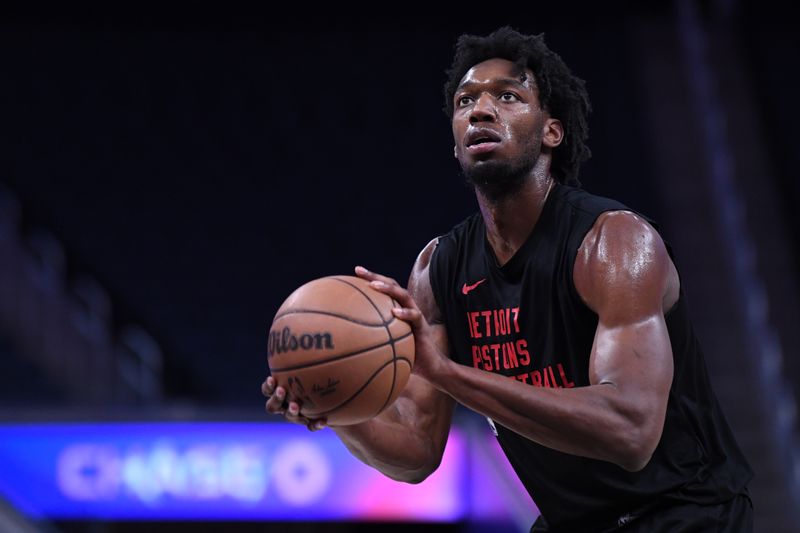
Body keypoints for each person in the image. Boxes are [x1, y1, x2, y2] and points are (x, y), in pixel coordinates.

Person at [263, 27, 753, 531]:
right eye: (464, 101)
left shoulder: (614, 244)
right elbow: (416, 451)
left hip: (684, 512)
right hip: (572, 520)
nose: (478, 110)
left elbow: (630, 432)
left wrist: (446, 372)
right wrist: (336, 406)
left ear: (551, 132)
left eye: (507, 96)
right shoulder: (438, 269)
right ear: (455, 145)